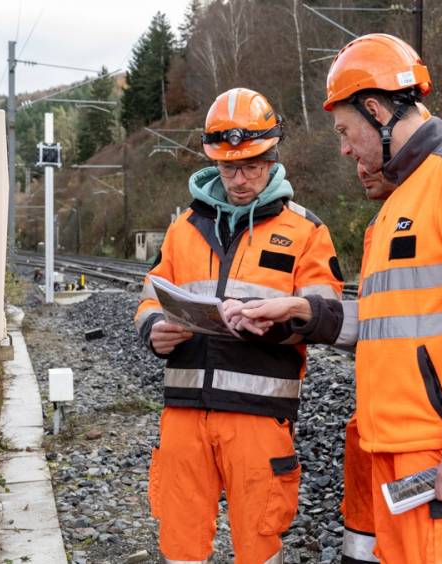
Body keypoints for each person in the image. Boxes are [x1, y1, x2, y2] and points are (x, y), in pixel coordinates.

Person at [224, 34, 442, 564]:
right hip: (395, 442)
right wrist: (303, 311)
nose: (345, 149)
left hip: (440, 446)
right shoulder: (402, 198)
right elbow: (392, 319)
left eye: (345, 131)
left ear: (375, 110)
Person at [134, 87, 344, 564]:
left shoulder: (305, 232)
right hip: (184, 414)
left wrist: (278, 320)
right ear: (214, 162)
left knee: (259, 546)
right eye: (229, 168)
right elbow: (149, 296)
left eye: (251, 166)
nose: (240, 179)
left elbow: (329, 314)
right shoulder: (184, 228)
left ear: (272, 158)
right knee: (180, 545)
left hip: (258, 417)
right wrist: (154, 329)